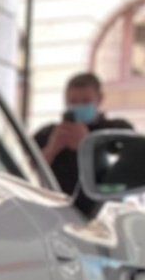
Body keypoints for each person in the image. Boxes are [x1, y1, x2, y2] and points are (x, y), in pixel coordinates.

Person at [35, 71, 133, 202]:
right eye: (73, 101)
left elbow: (124, 176)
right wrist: (51, 149)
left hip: (101, 209)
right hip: (52, 207)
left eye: (86, 101)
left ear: (100, 99)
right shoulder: (46, 133)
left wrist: (89, 145)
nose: (78, 106)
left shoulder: (118, 130)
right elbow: (26, 174)